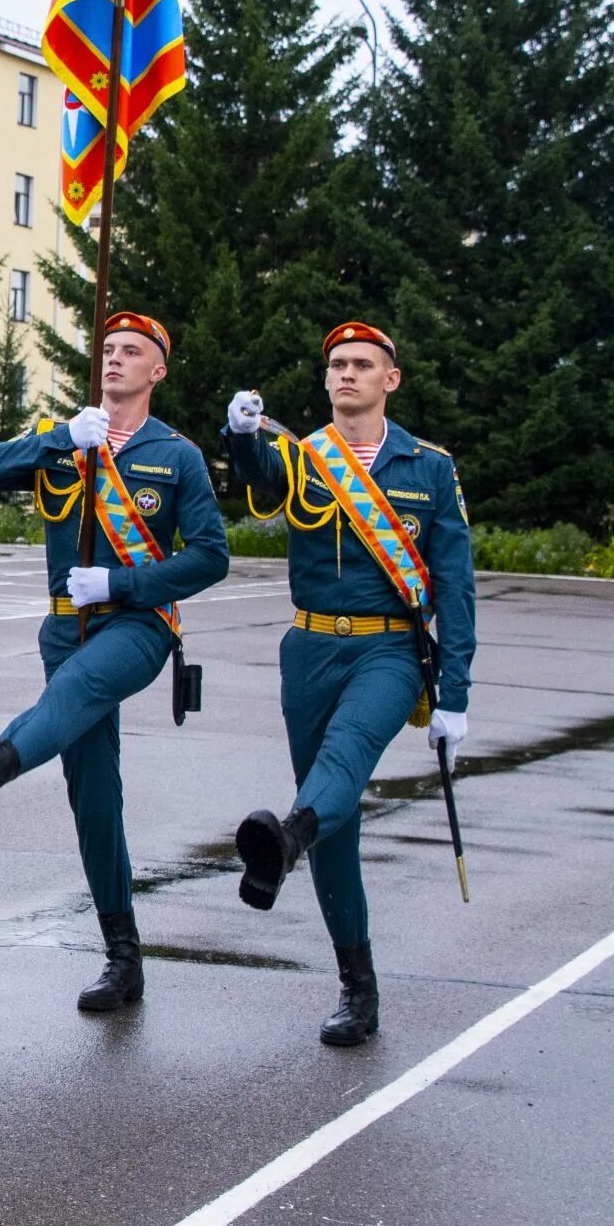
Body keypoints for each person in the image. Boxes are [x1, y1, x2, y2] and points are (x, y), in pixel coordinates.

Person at [0, 313, 232, 1010]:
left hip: (137, 623)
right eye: (107, 349)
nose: (114, 359)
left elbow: (211, 553)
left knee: (76, 687)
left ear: (157, 370)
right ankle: (123, 957)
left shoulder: (176, 455)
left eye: (132, 350)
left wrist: (124, 583)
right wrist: (56, 438)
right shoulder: (69, 441)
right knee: (94, 788)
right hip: (65, 626)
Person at [220, 321, 475, 1047]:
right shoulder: (304, 458)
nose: (347, 374)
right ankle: (356, 986)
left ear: (390, 378)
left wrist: (453, 693)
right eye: (336, 363)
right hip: (309, 648)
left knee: (346, 759)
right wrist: (240, 434)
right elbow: (262, 481)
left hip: (390, 652)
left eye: (363, 363)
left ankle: (287, 836)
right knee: (336, 825)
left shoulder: (429, 467)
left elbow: (455, 584)